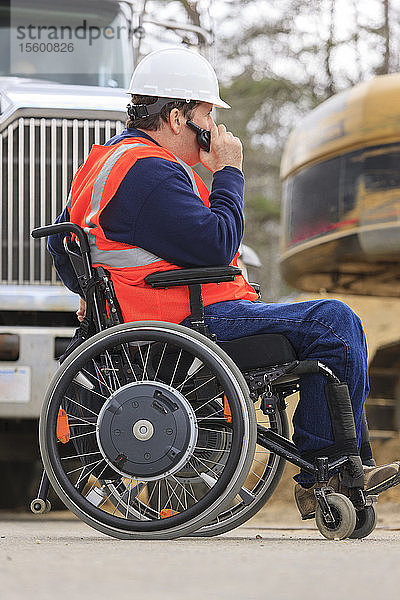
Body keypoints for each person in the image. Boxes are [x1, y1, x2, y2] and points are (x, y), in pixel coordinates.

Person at [48, 47, 399, 519]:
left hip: (157, 316)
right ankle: (329, 471)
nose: (214, 129)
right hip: (193, 322)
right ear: (177, 117)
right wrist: (229, 172)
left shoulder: (108, 160)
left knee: (329, 325)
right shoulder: (152, 173)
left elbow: (61, 241)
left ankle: (336, 468)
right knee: (334, 322)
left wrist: (96, 299)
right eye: (207, 114)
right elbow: (216, 244)